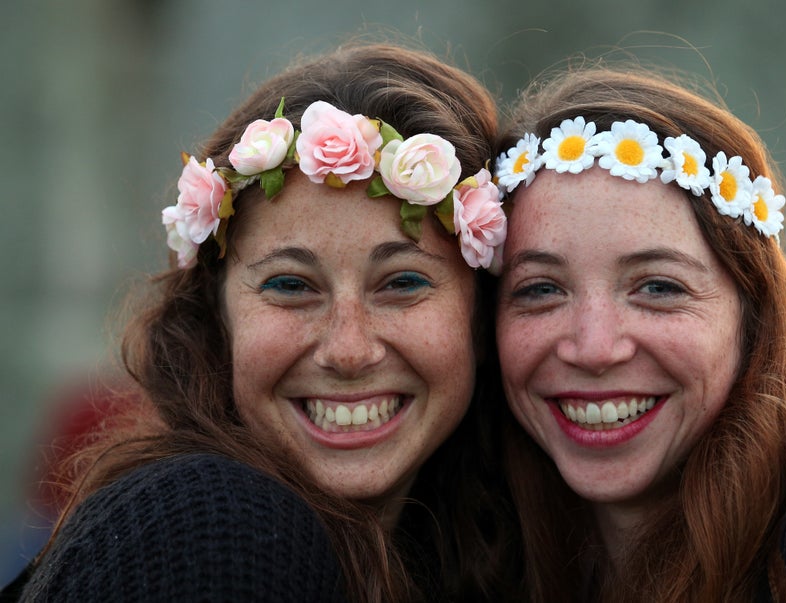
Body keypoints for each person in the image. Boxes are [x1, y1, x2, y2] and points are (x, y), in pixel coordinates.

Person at [3, 42, 515, 602]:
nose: (348, 350)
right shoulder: (213, 529)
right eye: (290, 285)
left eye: (402, 283)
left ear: (480, 317)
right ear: (216, 320)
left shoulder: (461, 554)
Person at [492, 61, 786, 602]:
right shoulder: (460, 548)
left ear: (755, 317)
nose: (595, 348)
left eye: (659, 288)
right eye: (540, 289)